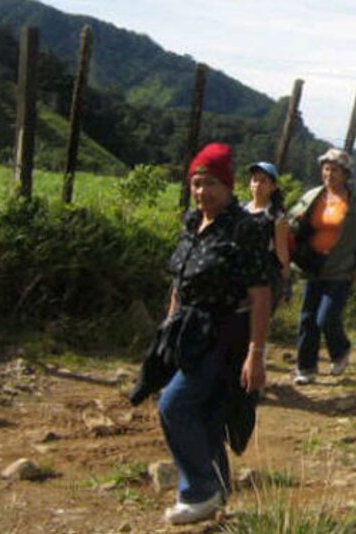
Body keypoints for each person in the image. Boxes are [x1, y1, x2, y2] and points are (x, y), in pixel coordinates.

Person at [150, 143, 271, 525]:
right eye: (197, 184)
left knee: (174, 405)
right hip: (187, 331)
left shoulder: (244, 228)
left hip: (224, 334)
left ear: (229, 187)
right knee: (205, 415)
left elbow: (261, 294)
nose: (203, 192)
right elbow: (180, 282)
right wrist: (168, 329)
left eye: (212, 184)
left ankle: (199, 490)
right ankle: (215, 491)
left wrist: (257, 352)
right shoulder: (192, 222)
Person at [288, 148, 356, 385]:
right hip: (313, 265)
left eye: (335, 170)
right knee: (308, 317)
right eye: (326, 168)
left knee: (326, 318)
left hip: (342, 268)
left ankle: (340, 350)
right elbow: (290, 224)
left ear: (346, 174)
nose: (329, 174)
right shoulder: (312, 197)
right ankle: (306, 368)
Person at [244, 162, 290, 311]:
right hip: (239, 275)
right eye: (254, 180)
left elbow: (282, 253)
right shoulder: (241, 210)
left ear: (273, 186)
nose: (257, 185)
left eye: (263, 181)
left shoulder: (276, 217)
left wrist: (284, 284)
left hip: (263, 278)